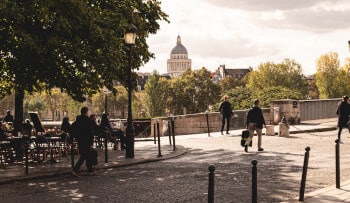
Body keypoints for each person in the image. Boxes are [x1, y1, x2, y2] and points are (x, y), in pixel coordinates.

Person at [72, 107, 96, 175]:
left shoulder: (78, 120)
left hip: (80, 140)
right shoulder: (88, 120)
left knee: (85, 155)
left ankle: (90, 170)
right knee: (84, 155)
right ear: (86, 112)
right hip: (87, 140)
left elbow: (73, 129)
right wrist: (91, 142)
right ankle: (76, 169)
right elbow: (91, 132)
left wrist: (74, 138)